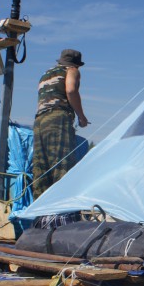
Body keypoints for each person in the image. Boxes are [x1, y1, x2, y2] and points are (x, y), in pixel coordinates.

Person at [31, 48, 90, 197]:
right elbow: (71, 90)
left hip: (39, 121)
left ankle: (40, 207)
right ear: (76, 64)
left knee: (41, 169)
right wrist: (81, 116)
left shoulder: (46, 74)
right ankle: (61, 205)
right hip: (57, 119)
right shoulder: (71, 70)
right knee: (62, 165)